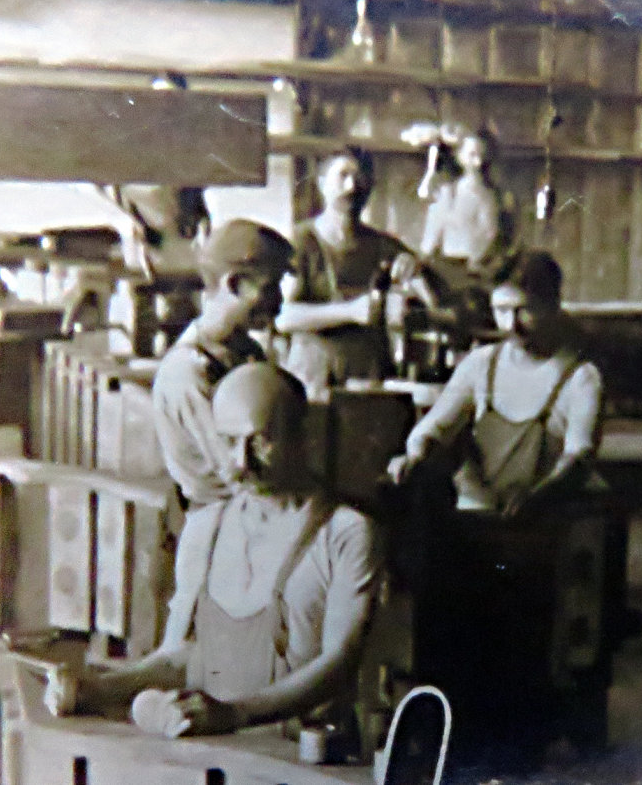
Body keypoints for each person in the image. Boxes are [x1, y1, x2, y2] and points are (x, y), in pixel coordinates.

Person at [44, 363, 378, 740]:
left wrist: (233, 715)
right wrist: (99, 687)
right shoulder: (206, 528)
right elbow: (176, 658)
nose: (241, 463)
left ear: (304, 436)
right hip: (208, 749)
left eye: (260, 442)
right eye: (228, 441)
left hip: (297, 759)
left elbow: (339, 663)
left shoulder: (346, 533)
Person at [387, 250, 602, 516]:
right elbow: (433, 429)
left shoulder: (581, 378)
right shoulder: (480, 364)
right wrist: (416, 458)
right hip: (474, 519)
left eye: (524, 311)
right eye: (501, 311)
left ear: (553, 306)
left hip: (542, 525)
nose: (512, 326)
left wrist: (538, 496)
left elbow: (578, 459)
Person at [152, 219, 293, 509]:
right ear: (235, 284)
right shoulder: (188, 371)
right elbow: (239, 472)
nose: (279, 301)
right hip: (219, 520)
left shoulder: (246, 350)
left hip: (255, 506)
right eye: (270, 288)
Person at [276, 148, 420, 398]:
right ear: (322, 184)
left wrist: (415, 265)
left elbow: (429, 295)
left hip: (369, 380)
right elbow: (282, 317)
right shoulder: (302, 242)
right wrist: (350, 312)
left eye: (360, 177)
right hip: (313, 381)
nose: (352, 186)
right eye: (342, 175)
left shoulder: (383, 246)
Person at [417, 129, 505, 293]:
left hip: (474, 271)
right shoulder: (447, 192)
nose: (477, 162)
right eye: (472, 155)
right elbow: (433, 229)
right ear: (460, 157)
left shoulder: (488, 197)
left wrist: (478, 261)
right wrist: (423, 257)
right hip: (445, 269)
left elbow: (489, 233)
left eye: (481, 156)